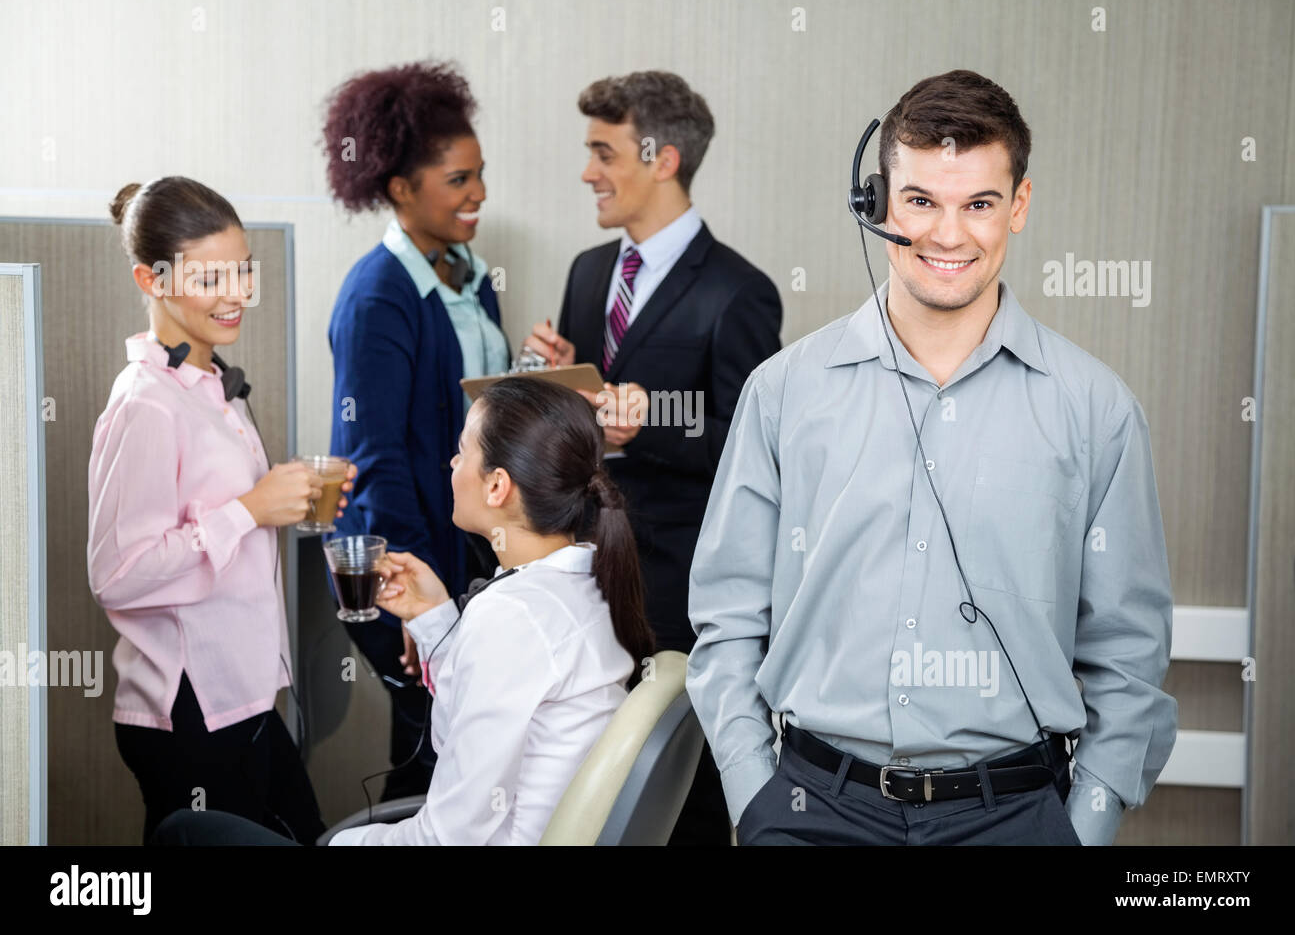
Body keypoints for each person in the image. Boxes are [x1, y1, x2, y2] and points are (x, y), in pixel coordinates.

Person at [686, 69, 1177, 846]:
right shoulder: (782, 392)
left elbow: (1128, 651)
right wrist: (755, 796)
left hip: (1015, 816)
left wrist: (1086, 822)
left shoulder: (1096, 408)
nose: (948, 235)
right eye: (921, 201)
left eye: (978, 203)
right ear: (877, 203)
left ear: (1018, 206)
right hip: (812, 811)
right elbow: (727, 619)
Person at [152, 377, 656, 845]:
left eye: (461, 453)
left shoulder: (512, 617)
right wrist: (434, 615)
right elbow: (498, 699)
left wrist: (340, 844)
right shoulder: (582, 585)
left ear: (497, 486)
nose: (452, 466)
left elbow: (445, 837)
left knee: (184, 830)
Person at [525, 70, 782, 845]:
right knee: (581, 775)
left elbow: (753, 450)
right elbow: (589, 423)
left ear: (662, 158)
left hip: (676, 591)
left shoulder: (741, 293)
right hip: (579, 579)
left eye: (603, 152)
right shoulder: (587, 272)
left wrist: (654, 430)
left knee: (683, 796)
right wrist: (564, 384)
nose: (586, 172)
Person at [89, 177, 352, 844]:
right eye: (210, 279)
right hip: (188, 710)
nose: (236, 294)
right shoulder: (144, 402)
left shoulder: (214, 385)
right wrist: (250, 509)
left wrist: (283, 500)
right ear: (152, 280)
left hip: (244, 694)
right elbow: (117, 573)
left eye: (242, 271)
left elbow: (224, 516)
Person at [322, 60, 510, 800]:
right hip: (399, 561)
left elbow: (469, 413)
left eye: (480, 175)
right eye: (458, 180)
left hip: (454, 561)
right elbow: (378, 460)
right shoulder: (378, 298)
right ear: (400, 190)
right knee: (443, 750)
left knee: (447, 747)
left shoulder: (467, 274)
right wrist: (423, 597)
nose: (479, 194)